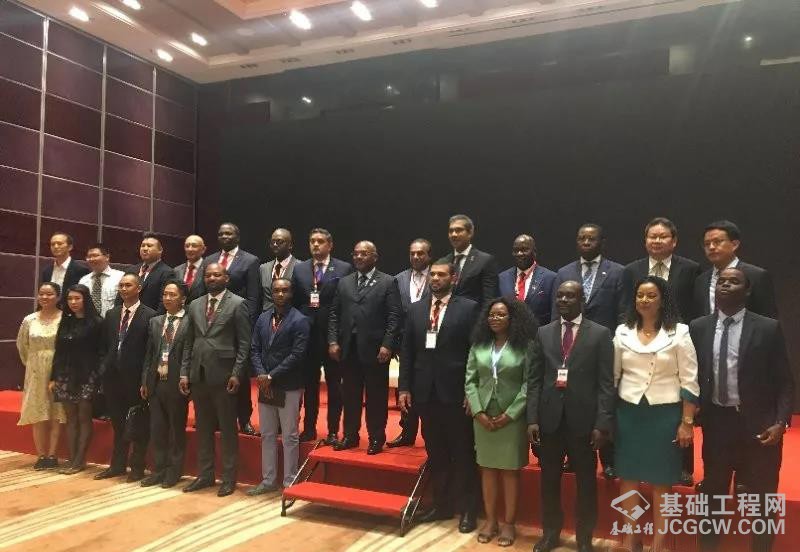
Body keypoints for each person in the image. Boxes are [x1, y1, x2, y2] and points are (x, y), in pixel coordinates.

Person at [691, 268, 793, 552]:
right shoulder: (698, 327)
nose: (725, 285)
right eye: (721, 281)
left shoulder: (767, 328)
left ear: (747, 291)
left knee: (762, 499)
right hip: (717, 425)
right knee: (712, 496)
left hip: (760, 427)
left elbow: (785, 381)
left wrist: (780, 422)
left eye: (733, 281)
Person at [613, 276, 699, 552]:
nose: (645, 300)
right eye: (640, 295)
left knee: (662, 481)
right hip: (628, 412)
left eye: (651, 296)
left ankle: (660, 544)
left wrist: (687, 423)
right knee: (628, 477)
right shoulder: (622, 332)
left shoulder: (679, 332)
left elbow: (690, 381)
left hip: (665, 415)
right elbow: (612, 377)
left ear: (663, 300)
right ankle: (631, 539)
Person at [527, 281, 614, 552]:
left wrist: (602, 423)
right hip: (549, 420)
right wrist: (532, 418)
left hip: (584, 423)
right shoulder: (543, 332)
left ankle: (584, 538)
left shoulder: (600, 334)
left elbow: (606, 383)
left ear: (582, 300)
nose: (563, 300)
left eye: (570, 296)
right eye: (560, 296)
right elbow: (534, 379)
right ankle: (550, 534)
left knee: (586, 484)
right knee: (549, 482)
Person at [398, 261, 481, 533]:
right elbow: (407, 352)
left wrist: (471, 390)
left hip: (456, 393)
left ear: (453, 278)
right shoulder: (416, 309)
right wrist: (404, 388)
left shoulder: (468, 308)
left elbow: (475, 353)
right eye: (432, 274)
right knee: (436, 453)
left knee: (463, 452)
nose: (435, 278)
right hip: (425, 393)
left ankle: (468, 509)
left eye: (441, 274)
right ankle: (441, 505)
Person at [621, 217, 700, 485]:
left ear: (674, 241)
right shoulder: (631, 270)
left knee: (677, 409)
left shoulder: (690, 269)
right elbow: (625, 305)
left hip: (675, 343)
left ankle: (683, 467)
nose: (656, 241)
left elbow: (695, 307)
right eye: (652, 236)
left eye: (662, 236)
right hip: (638, 341)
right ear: (645, 241)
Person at [552, 223, 624, 478]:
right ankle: (573, 456)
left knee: (604, 400)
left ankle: (609, 460)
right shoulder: (564, 272)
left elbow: (622, 312)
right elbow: (556, 312)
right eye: (581, 238)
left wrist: (615, 344)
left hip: (602, 346)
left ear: (602, 242)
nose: (585, 242)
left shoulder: (617, 272)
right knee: (573, 400)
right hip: (570, 346)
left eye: (591, 238)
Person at [465, 297, 537, 547]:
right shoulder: (479, 345)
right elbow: (470, 381)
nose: (495, 319)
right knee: (486, 469)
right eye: (492, 315)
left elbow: (529, 384)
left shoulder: (525, 347)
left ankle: (508, 523)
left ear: (512, 318)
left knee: (509, 471)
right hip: (483, 417)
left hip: (512, 418)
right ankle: (491, 520)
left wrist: (511, 413)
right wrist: (478, 412)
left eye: (501, 315)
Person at [180, 263, 251, 497]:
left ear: (226, 278)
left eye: (216, 275)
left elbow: (244, 344)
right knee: (203, 428)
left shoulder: (238, 304)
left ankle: (229, 478)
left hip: (225, 375)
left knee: (228, 430)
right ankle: (205, 475)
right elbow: (189, 341)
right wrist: (184, 372)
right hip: (198, 375)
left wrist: (237, 373)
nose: (211, 278)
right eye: (208, 275)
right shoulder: (195, 304)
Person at [328, 241, 402, 455]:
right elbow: (334, 314)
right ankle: (350, 436)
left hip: (376, 350)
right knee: (350, 395)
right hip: (348, 349)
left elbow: (394, 317)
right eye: (356, 254)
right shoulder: (344, 282)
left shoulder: (388, 282)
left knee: (376, 397)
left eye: (364, 253)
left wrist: (387, 345)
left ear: (375, 257)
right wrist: (333, 341)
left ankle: (376, 437)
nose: (359, 257)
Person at [291, 228, 353, 444]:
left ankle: (333, 431)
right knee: (310, 385)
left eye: (320, 241)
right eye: (312, 241)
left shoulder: (343, 268)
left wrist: (339, 337)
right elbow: (295, 302)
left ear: (330, 245)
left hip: (332, 336)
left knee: (334, 385)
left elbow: (346, 303)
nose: (315, 245)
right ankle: (309, 428)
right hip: (307, 336)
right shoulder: (299, 269)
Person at [248, 278, 310, 495]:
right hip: (266, 384)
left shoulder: (300, 320)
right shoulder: (263, 318)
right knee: (267, 433)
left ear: (291, 293)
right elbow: (254, 348)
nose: (280, 294)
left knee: (290, 435)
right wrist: (261, 374)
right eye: (276, 291)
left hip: (288, 384)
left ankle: (289, 482)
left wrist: (271, 375)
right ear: (271, 293)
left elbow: (297, 354)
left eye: (285, 290)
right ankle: (268, 480)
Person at [94, 273, 156, 482]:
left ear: (139, 288)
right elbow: (104, 346)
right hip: (113, 378)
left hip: (136, 379)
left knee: (138, 423)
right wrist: (104, 367)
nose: (123, 289)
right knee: (118, 423)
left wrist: (146, 379)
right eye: (121, 285)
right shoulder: (111, 314)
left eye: (128, 285)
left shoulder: (150, 315)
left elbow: (150, 352)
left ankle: (137, 467)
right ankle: (117, 465)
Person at [205, 223, 261, 436]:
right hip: (212, 322)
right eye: (221, 233)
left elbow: (254, 297)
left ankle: (244, 419)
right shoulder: (209, 260)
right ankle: (216, 418)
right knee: (214, 370)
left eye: (228, 233)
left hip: (238, 321)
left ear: (237, 237)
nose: (224, 236)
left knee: (240, 374)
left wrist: (249, 325)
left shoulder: (250, 260)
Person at [140, 280, 191, 488]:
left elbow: (189, 353)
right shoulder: (155, 321)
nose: (167, 298)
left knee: (176, 430)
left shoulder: (190, 321)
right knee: (158, 429)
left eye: (172, 295)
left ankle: (174, 471)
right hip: (155, 382)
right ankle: (159, 470)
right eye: (165, 295)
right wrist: (144, 381)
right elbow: (149, 354)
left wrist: (185, 376)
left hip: (176, 382)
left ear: (183, 299)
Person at [49, 284, 102, 474]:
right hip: (65, 374)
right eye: (70, 299)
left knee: (84, 417)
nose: (73, 302)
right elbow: (58, 351)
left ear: (85, 299)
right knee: (70, 418)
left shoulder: (97, 322)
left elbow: (101, 352)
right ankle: (72, 459)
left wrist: (98, 375)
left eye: (77, 298)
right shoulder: (66, 321)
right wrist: (53, 377)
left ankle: (80, 460)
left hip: (87, 375)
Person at [16, 282, 66, 470]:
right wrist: (32, 364)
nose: (45, 297)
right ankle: (41, 455)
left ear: (58, 297)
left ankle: (52, 454)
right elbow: (22, 345)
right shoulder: (29, 320)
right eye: (41, 294)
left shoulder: (64, 319)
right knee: (38, 412)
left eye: (50, 294)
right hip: (35, 371)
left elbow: (67, 347)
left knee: (55, 412)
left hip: (58, 370)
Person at [388, 238, 432, 448]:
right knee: (405, 386)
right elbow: (394, 312)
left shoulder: (438, 276)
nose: (415, 257)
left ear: (429, 255)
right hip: (406, 341)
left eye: (420, 253)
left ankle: (431, 436)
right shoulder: (399, 279)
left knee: (428, 388)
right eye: (412, 253)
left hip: (431, 340)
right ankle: (407, 432)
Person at [693, 220, 777, 318]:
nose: (711, 247)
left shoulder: (756, 276)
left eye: (717, 242)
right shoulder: (701, 280)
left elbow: (768, 318)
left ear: (734, 245)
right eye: (707, 244)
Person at [498, 234, 556, 326]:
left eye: (524, 250)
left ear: (534, 252)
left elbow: (554, 313)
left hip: (539, 332)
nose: (519, 253)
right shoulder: (502, 278)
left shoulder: (550, 278)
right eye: (516, 250)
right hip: (509, 332)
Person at [443, 214, 498, 306]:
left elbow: (489, 300)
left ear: (470, 233)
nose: (454, 234)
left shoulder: (485, 260)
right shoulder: (444, 261)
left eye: (458, 230)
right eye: (451, 231)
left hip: (473, 314)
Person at [130, 232, 175, 313]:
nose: (145, 248)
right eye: (143, 245)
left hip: (151, 318)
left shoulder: (167, 273)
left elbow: (163, 303)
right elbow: (120, 296)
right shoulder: (131, 270)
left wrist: (155, 320)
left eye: (149, 246)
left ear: (160, 250)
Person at [78, 243, 124, 317]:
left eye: (95, 255)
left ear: (107, 257)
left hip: (113, 321)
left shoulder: (121, 277)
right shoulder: (83, 281)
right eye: (89, 257)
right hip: (89, 321)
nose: (91, 259)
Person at [260, 228, 299, 312]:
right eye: (272, 242)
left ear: (290, 245)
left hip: (291, 316)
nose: (275, 245)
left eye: (279, 241)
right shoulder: (263, 268)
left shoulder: (301, 267)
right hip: (267, 317)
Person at [173, 235, 207, 304]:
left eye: (194, 246)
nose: (190, 249)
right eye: (187, 246)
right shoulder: (176, 270)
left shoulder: (208, 269)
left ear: (203, 249)